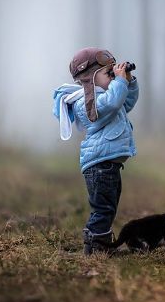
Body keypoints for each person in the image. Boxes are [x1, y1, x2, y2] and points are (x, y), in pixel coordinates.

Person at [53, 48, 139, 255]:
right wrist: (119, 82)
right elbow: (113, 102)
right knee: (103, 209)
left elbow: (126, 102)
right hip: (99, 166)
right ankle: (96, 246)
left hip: (108, 165)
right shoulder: (85, 102)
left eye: (113, 72)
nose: (113, 76)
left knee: (109, 207)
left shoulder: (108, 95)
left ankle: (100, 244)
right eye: (108, 73)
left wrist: (128, 81)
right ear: (90, 78)